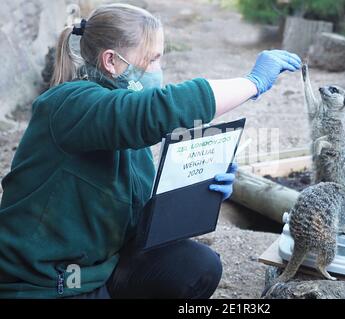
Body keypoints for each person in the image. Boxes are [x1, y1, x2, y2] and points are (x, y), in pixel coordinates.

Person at [0, 3, 301, 299]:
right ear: (111, 61)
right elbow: (154, 111)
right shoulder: (69, 103)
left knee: (197, 265)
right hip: (42, 284)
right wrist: (253, 83)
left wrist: (198, 191)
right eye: (153, 58)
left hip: (97, 272)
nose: (159, 70)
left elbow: (138, 227)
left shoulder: (128, 135)